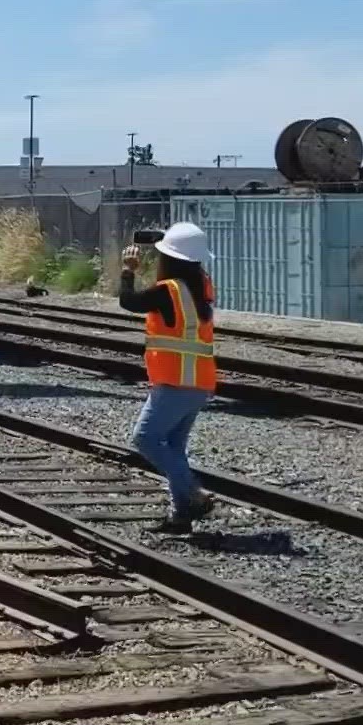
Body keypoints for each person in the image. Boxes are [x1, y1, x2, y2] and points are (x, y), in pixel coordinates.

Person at [118, 221, 220, 533]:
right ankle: (180, 517)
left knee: (145, 439)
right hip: (199, 382)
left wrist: (128, 269)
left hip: (175, 382)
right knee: (174, 448)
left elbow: (128, 301)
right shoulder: (202, 285)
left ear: (169, 257)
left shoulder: (168, 291)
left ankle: (193, 493)